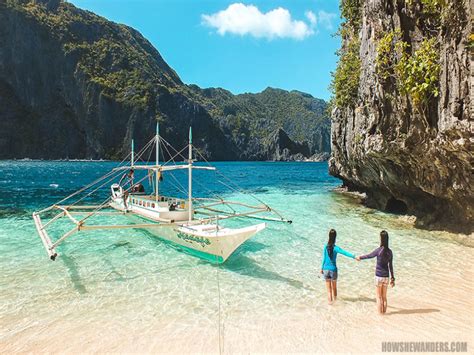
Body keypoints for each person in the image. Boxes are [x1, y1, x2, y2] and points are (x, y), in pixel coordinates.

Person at [356, 230, 395, 315]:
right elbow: (391, 266)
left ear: (381, 239)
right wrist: (392, 278)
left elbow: (369, 255)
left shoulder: (379, 250)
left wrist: (360, 257)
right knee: (384, 297)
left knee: (378, 297)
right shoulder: (390, 252)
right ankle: (384, 314)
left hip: (378, 276)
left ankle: (380, 316)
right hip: (386, 277)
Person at [321, 229, 358, 304]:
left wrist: (321, 268)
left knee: (328, 290)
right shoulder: (336, 248)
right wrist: (354, 256)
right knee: (334, 288)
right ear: (335, 237)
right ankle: (336, 303)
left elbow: (324, 258)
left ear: (329, 236)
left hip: (325, 269)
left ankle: (330, 305)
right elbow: (345, 253)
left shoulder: (325, 247)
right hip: (333, 270)